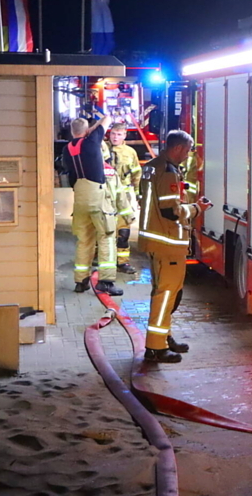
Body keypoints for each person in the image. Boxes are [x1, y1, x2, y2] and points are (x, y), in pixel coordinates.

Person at [139, 130, 212, 363]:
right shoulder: (168, 172)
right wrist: (198, 208)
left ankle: (164, 337)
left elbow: (163, 196)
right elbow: (172, 211)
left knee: (166, 294)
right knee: (166, 295)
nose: (187, 155)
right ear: (178, 148)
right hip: (167, 243)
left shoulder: (152, 166)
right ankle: (155, 347)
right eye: (188, 150)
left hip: (156, 241)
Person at [62, 114, 124, 296]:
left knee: (84, 240)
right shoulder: (91, 142)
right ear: (87, 130)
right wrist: (94, 127)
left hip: (79, 197)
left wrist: (89, 129)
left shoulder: (67, 149)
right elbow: (107, 118)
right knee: (106, 237)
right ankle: (106, 282)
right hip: (97, 196)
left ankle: (81, 281)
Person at [106, 123, 142, 274]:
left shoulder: (130, 152)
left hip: (124, 197)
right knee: (104, 230)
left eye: (119, 134)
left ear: (125, 136)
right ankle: (102, 259)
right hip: (106, 195)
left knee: (123, 231)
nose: (115, 137)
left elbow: (136, 174)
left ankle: (122, 262)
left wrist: (139, 194)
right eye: (113, 134)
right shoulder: (102, 149)